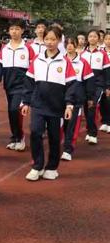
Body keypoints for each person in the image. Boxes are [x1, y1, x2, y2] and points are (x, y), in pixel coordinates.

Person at [21, 25, 76, 181]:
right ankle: (37, 165)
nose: (50, 42)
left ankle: (52, 167)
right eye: (47, 39)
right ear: (43, 39)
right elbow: (29, 82)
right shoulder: (37, 60)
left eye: (53, 39)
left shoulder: (65, 62)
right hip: (38, 104)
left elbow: (72, 85)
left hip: (56, 106)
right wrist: (25, 102)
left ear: (59, 40)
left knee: (54, 137)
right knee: (36, 132)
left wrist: (69, 105)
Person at [0, 19, 35, 151]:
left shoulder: (28, 48)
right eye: (12, 29)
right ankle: (15, 137)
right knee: (11, 112)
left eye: (17, 29)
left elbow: (34, 66)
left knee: (14, 109)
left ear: (22, 31)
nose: (14, 32)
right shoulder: (5, 48)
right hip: (9, 84)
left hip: (22, 85)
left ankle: (20, 137)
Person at [62, 38, 95, 161]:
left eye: (72, 44)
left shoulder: (83, 62)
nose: (70, 46)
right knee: (62, 124)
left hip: (76, 99)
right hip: (61, 97)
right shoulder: (61, 60)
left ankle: (68, 149)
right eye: (68, 44)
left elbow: (89, 81)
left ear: (77, 46)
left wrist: (90, 97)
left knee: (71, 124)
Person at [80, 29, 110, 144]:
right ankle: (89, 130)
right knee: (86, 109)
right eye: (90, 36)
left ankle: (93, 133)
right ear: (88, 38)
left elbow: (107, 71)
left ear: (98, 39)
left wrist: (107, 86)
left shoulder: (102, 54)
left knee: (92, 107)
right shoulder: (82, 54)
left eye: (94, 36)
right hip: (85, 85)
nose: (92, 38)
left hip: (97, 85)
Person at [98, 32, 110, 134]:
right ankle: (105, 121)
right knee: (104, 100)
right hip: (104, 79)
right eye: (106, 39)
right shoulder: (100, 52)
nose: (108, 41)